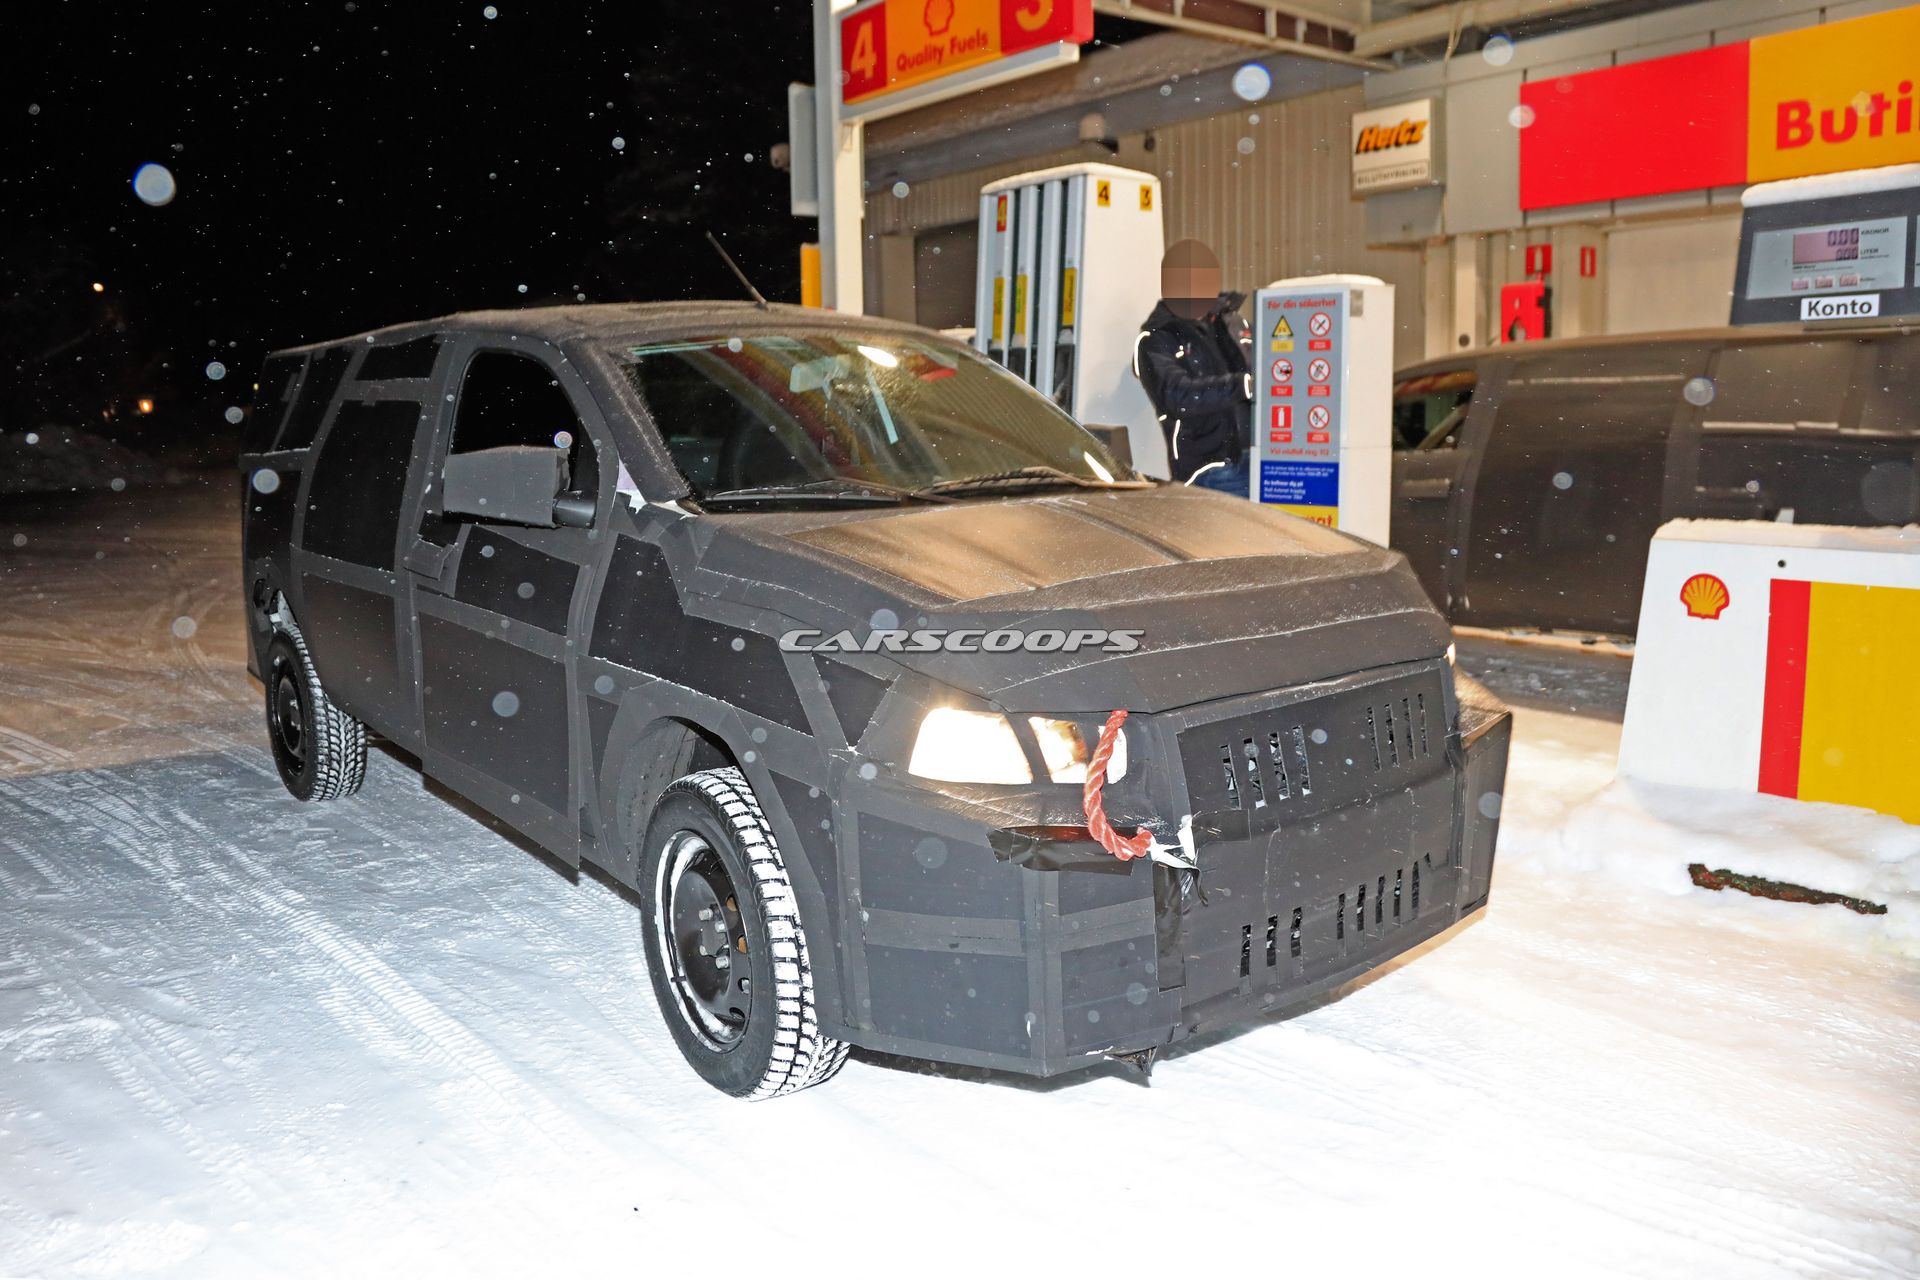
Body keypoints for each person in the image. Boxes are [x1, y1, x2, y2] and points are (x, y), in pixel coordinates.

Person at [1133, 239, 1255, 495]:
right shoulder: (1156, 339)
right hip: (1210, 469)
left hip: (1257, 456)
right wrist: (1242, 385)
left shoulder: (1232, 323)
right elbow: (1176, 394)